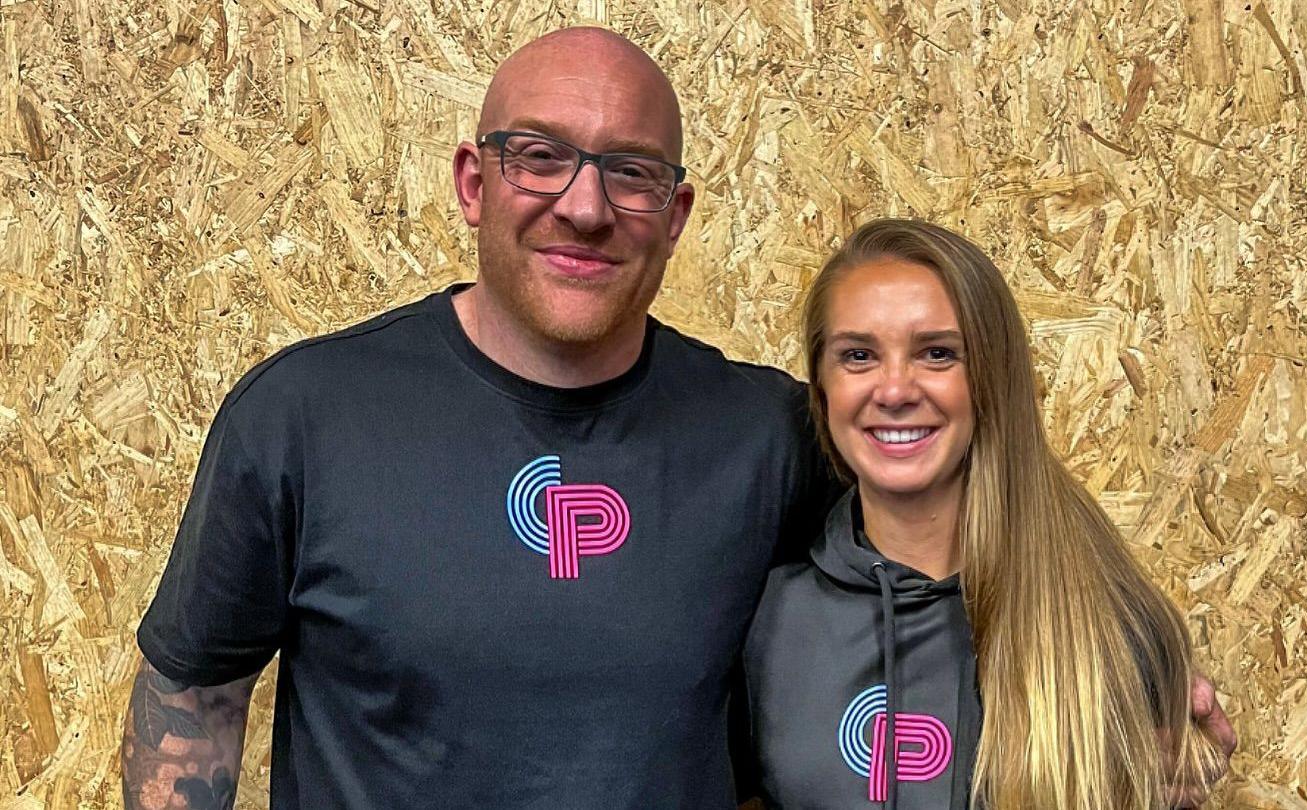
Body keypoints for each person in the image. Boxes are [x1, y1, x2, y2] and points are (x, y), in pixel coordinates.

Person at [121, 27, 1233, 810]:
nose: (587, 204)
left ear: (677, 213)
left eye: (632, 171)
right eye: (541, 156)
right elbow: (193, 695)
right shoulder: (306, 414)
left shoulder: (765, 430)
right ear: (473, 181)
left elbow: (964, 465)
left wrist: (1131, 661)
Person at [742, 219, 1235, 809]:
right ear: (822, 388)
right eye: (858, 355)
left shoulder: (1106, 625)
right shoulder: (767, 621)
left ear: (990, 379)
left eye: (937, 353)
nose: (895, 389)